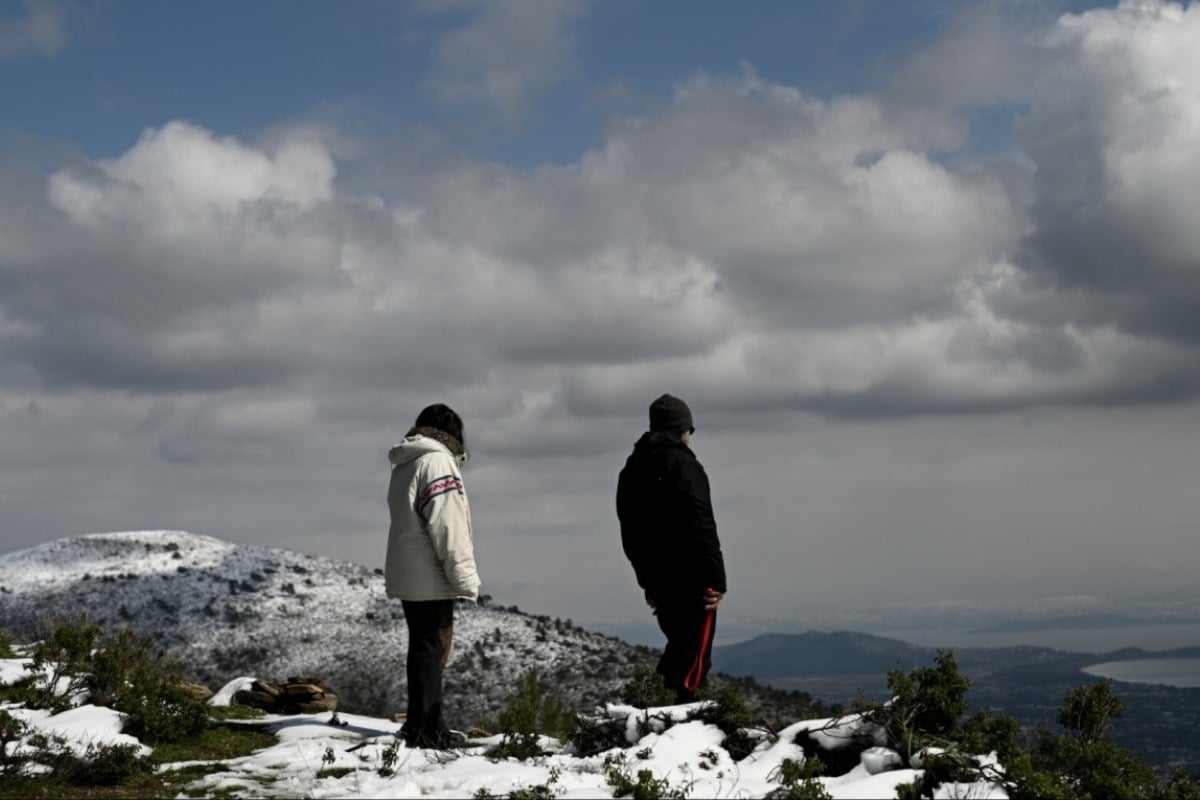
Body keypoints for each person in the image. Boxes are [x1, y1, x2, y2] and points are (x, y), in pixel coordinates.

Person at [616, 393, 727, 702]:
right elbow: (701, 521)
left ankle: (651, 714)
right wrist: (717, 580)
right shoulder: (683, 464)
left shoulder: (632, 469)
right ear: (684, 429)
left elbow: (631, 532)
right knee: (693, 662)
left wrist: (648, 582)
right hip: (693, 580)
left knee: (680, 649)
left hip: (660, 583)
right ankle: (668, 723)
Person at [384, 403, 481, 748]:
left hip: (409, 569)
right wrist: (466, 579)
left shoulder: (407, 462)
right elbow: (448, 527)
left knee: (422, 647)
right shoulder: (438, 462)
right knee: (432, 648)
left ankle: (424, 722)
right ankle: (425, 729)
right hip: (430, 571)